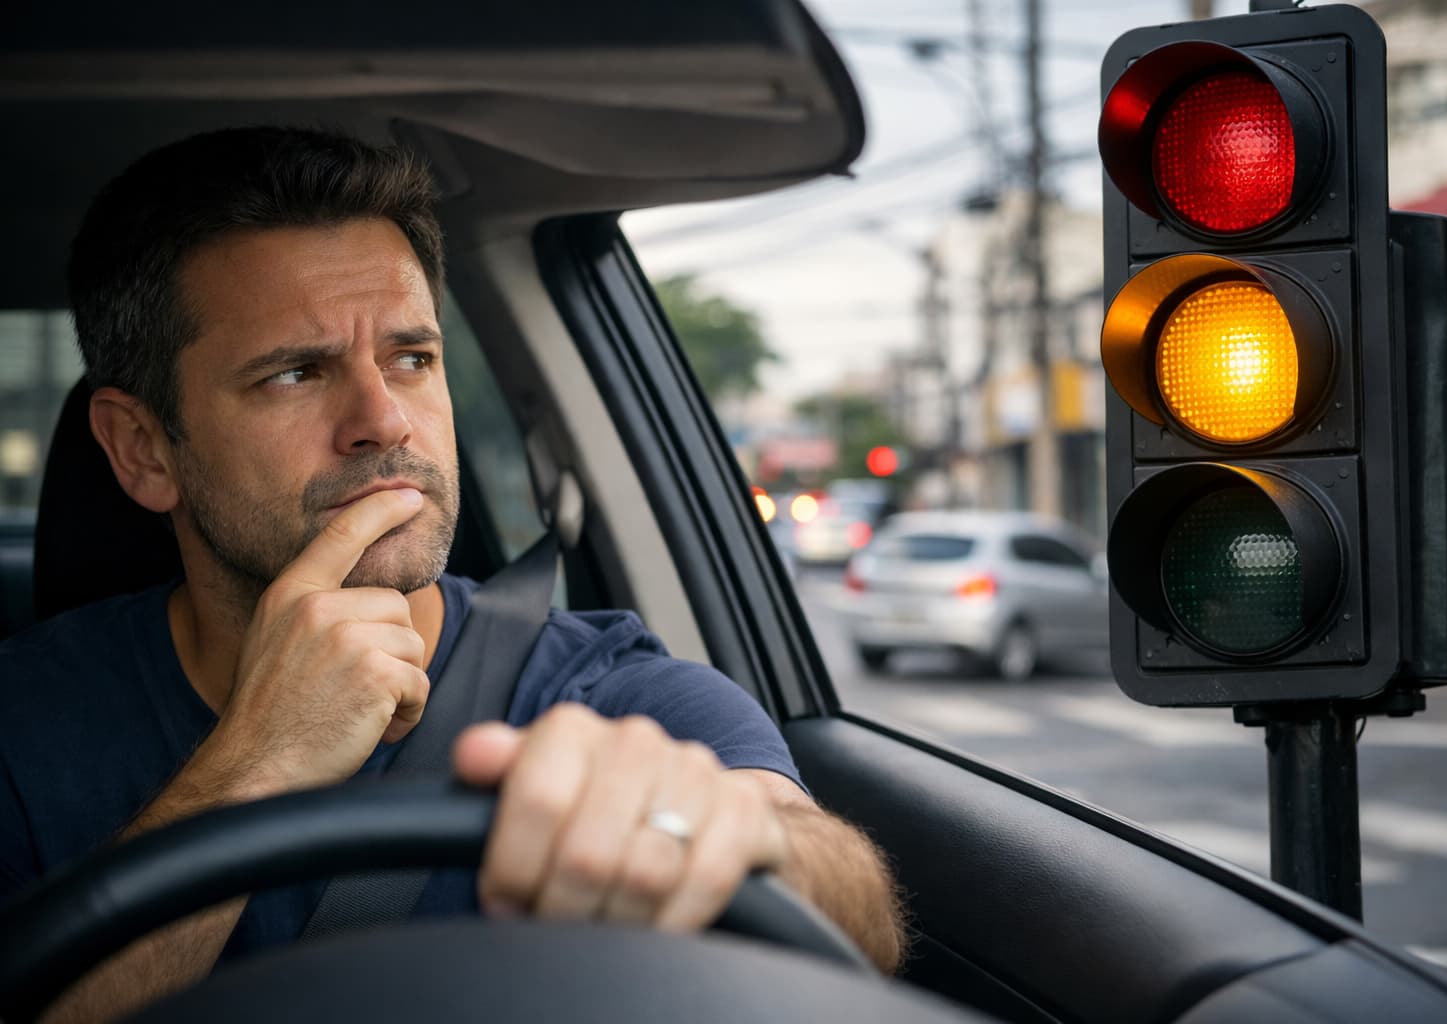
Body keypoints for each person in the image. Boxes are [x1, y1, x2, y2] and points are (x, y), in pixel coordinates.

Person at [0, 126, 906, 1022]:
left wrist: (723, 838)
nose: (385, 421)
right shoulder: (25, 719)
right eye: (295, 373)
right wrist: (258, 765)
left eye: (411, 358)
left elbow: (849, 916)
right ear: (143, 448)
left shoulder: (602, 685)